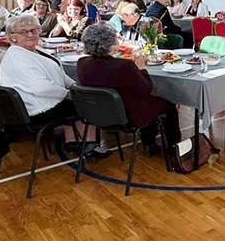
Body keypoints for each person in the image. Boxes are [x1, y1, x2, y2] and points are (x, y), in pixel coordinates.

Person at [77, 22, 182, 156]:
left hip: (97, 114)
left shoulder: (82, 63)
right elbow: (146, 89)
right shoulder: (123, 65)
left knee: (145, 102)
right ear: (110, 42)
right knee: (168, 103)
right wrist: (142, 69)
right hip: (126, 116)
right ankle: (171, 148)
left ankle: (150, 143)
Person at [0, 15, 91, 146]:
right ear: (13, 36)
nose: (30, 34)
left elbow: (59, 73)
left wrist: (74, 86)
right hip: (36, 110)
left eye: (34, 30)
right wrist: (69, 94)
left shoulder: (34, 50)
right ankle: (86, 145)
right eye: (23, 32)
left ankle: (74, 140)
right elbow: (42, 88)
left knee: (83, 98)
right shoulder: (18, 56)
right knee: (89, 104)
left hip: (40, 101)